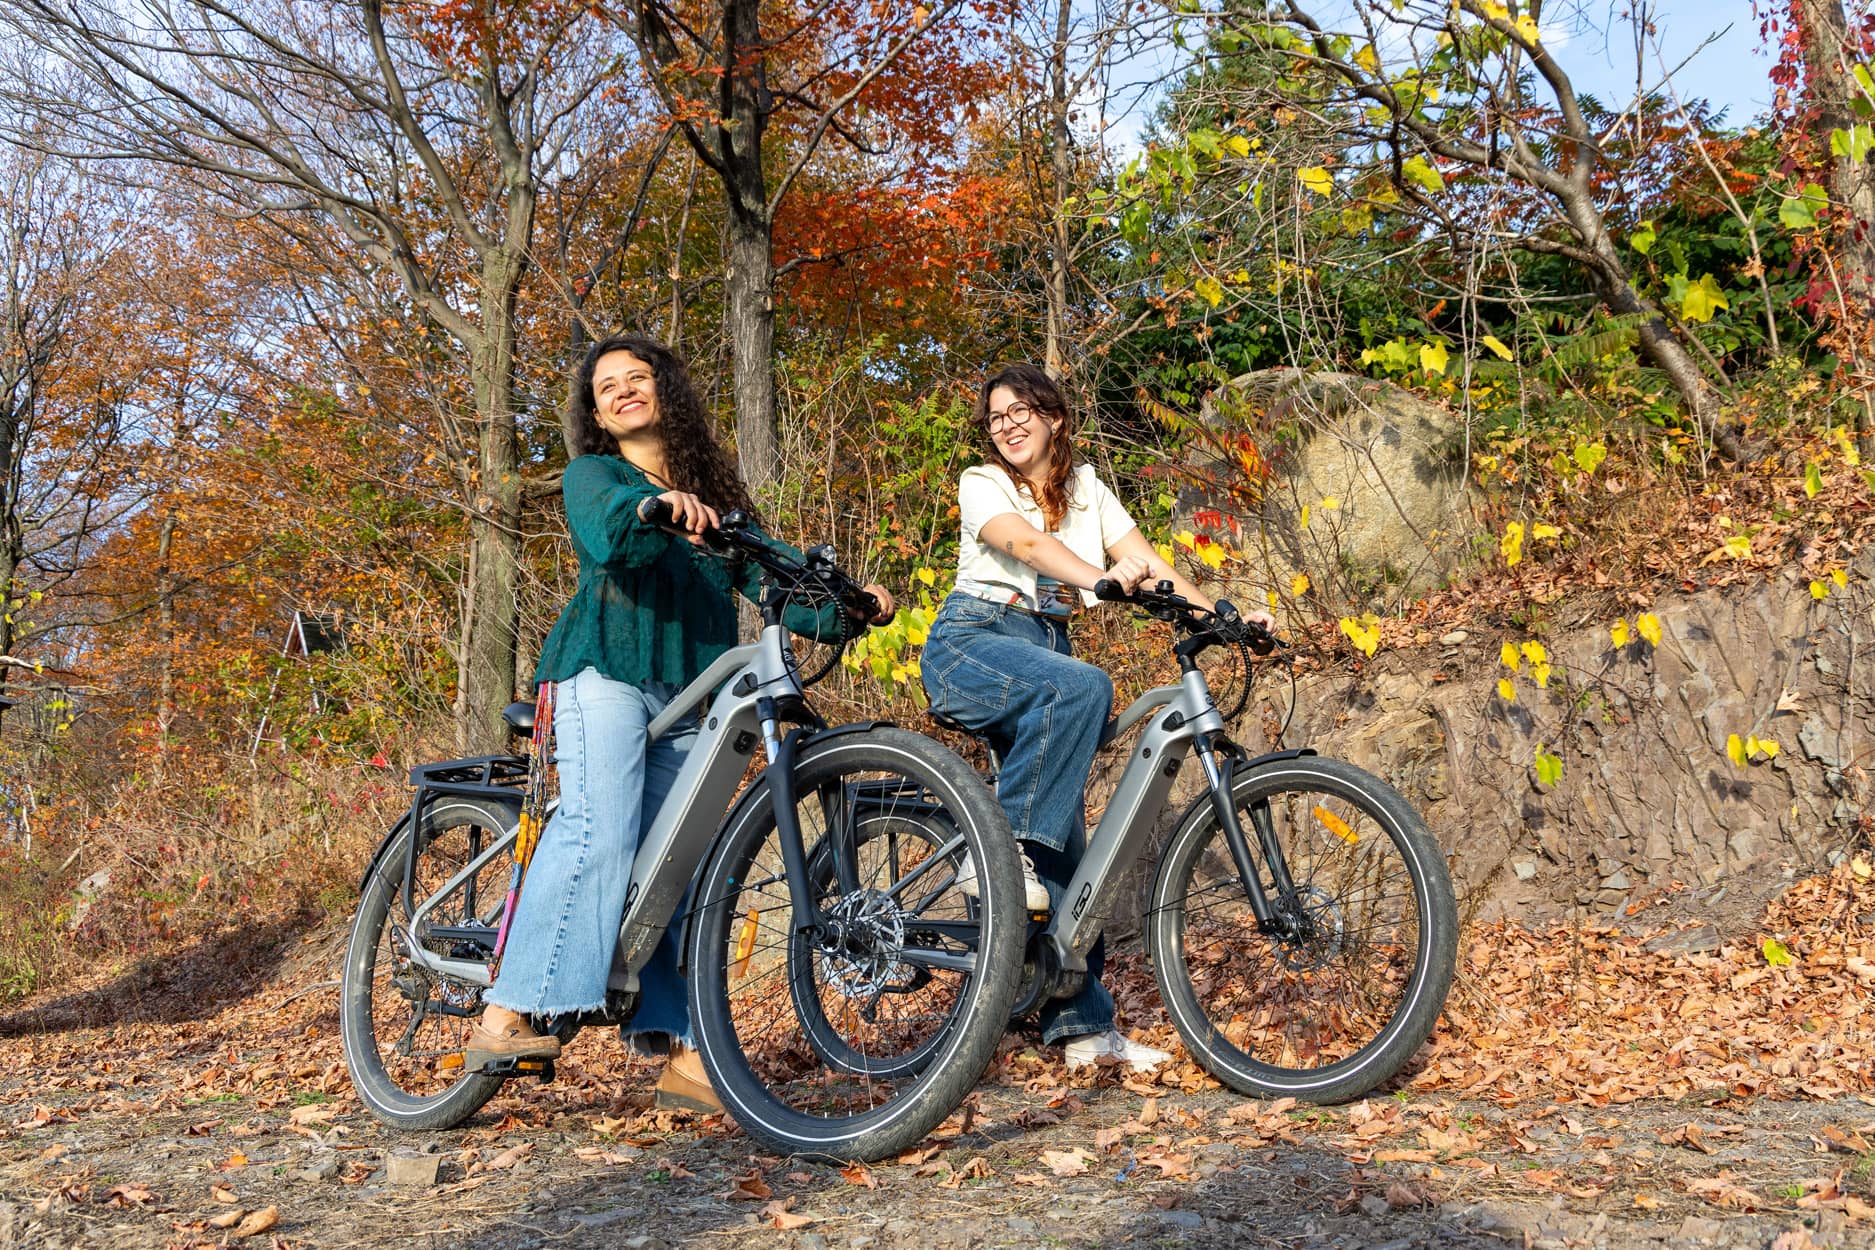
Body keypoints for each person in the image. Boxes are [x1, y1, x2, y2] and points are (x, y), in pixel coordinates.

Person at [464, 334, 894, 1112]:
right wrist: (653, 506)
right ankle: (507, 1011)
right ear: (595, 412)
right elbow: (610, 537)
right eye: (608, 386)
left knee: (688, 859)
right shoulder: (594, 474)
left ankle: (691, 1053)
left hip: (689, 687)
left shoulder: (712, 495)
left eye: (638, 378)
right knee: (601, 827)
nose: (625, 390)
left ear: (667, 392)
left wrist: (844, 604)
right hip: (604, 668)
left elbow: (776, 578)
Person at [919, 363, 1273, 1072]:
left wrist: (1225, 619)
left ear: (1053, 417)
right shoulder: (980, 482)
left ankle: (1081, 1029)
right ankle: (992, 857)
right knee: (1085, 688)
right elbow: (1023, 544)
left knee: (1071, 861)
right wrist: (1097, 581)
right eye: (996, 417)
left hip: (1045, 650)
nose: (1009, 424)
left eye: (1022, 410)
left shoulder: (1087, 491)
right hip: (975, 640)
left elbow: (1149, 563)